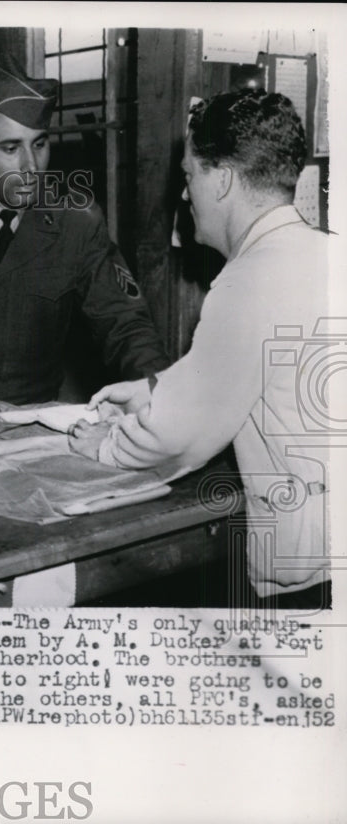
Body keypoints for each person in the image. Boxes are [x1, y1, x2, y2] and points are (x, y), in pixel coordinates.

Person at [70, 89, 333, 608]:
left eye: (190, 175)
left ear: (224, 179)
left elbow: (177, 438)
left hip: (313, 573)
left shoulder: (249, 280)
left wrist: (102, 445)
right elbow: (244, 376)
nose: (185, 195)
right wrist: (154, 389)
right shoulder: (327, 252)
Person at [0, 61, 170, 404]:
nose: (30, 167)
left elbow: (125, 323)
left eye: (39, 145)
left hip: (33, 424)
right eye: (10, 149)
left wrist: (156, 393)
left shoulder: (76, 222)